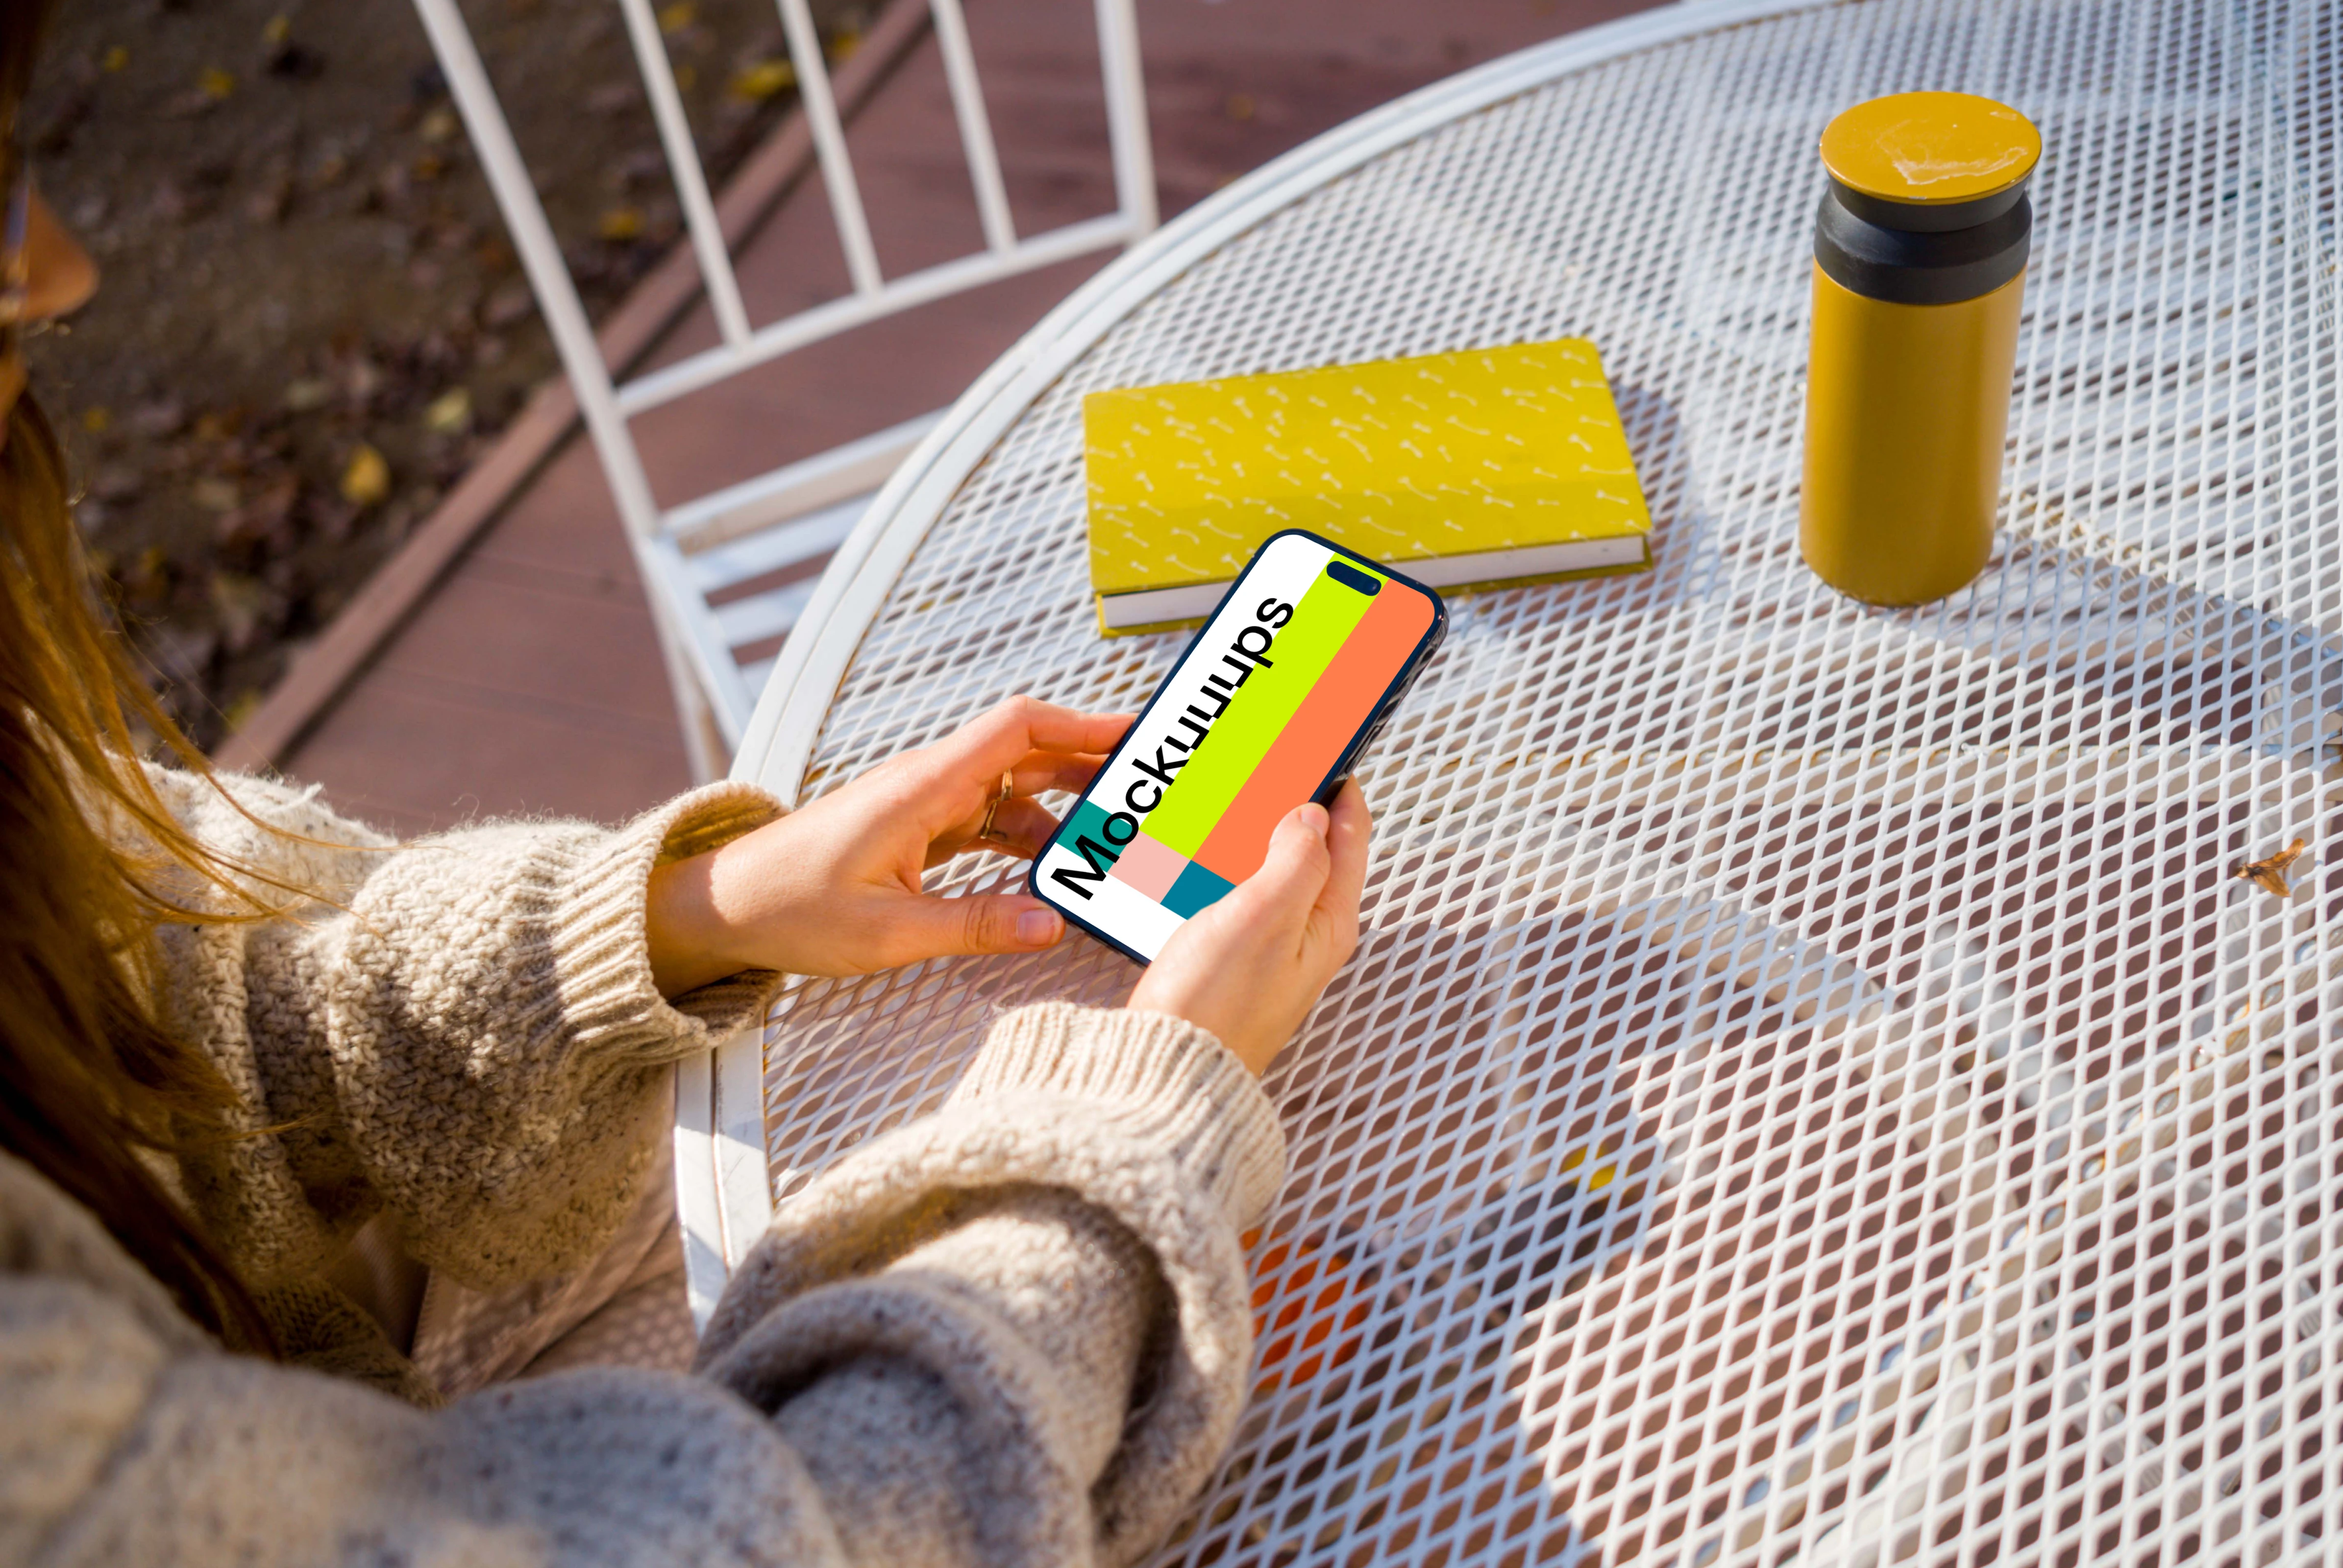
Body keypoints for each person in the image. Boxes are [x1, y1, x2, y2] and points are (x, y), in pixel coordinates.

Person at [0, 4, 1372, 1561]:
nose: (59, 276)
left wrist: (670, 916)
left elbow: (192, 1028)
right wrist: (1139, 1130)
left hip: (440, 1323)